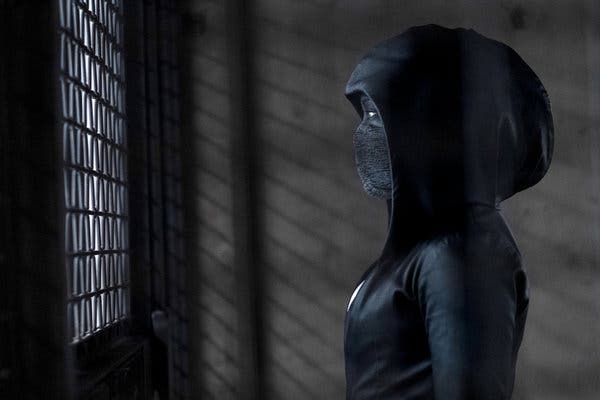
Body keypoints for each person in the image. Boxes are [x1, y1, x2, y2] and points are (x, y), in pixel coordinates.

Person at [344, 24, 553, 399]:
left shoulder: (462, 251)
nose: (365, 132)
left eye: (378, 115)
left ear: (429, 126)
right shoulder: (420, 250)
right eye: (366, 115)